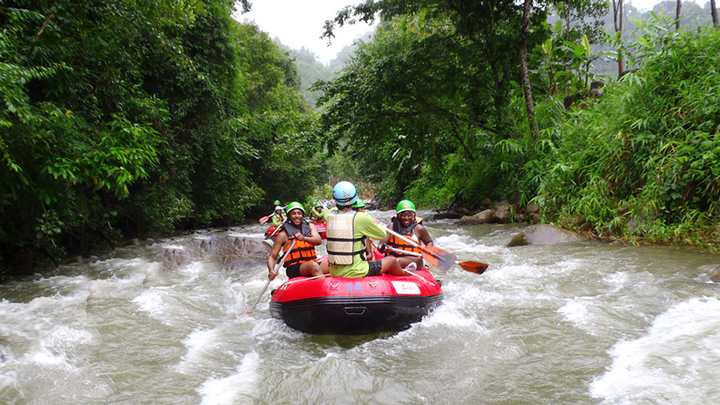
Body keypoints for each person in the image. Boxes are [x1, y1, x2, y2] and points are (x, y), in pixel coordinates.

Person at [325, 181, 405, 278]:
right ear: (354, 199)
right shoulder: (361, 218)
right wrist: (374, 222)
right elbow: (383, 235)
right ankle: (405, 275)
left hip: (334, 271)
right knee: (391, 260)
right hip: (357, 271)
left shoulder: (329, 216)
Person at [267, 202, 325, 280]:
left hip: (312, 262)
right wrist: (271, 270)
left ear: (303, 215)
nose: (297, 216)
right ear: (289, 216)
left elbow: (318, 241)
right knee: (313, 266)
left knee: (330, 263)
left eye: (299, 213)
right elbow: (273, 256)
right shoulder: (283, 234)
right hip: (294, 268)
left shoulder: (310, 226)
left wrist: (304, 238)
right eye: (293, 213)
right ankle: (324, 290)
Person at [384, 199, 433, 269]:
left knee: (395, 261)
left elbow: (429, 242)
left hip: (414, 259)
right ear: (398, 215)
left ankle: (406, 269)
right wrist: (386, 248)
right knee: (392, 261)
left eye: (409, 215)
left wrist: (427, 251)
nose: (406, 218)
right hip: (394, 256)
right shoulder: (391, 227)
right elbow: (382, 245)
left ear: (414, 215)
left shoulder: (419, 229)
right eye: (403, 215)